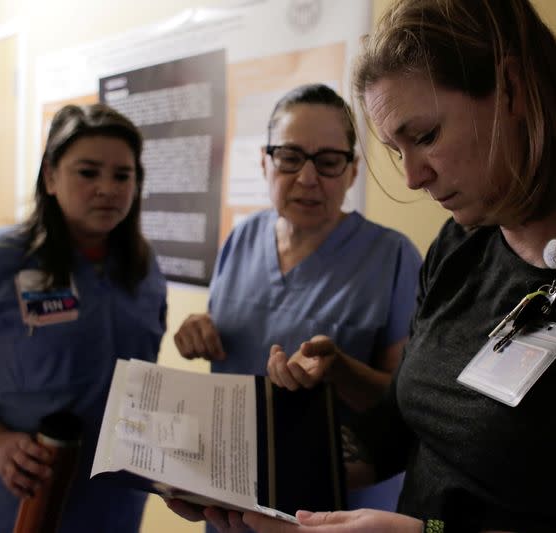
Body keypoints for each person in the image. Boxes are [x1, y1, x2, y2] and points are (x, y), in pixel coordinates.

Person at [239, 0, 556, 532]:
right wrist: (250, 479)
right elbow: (403, 432)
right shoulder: (458, 247)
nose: (412, 177)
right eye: (395, 149)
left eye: (425, 136)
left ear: (514, 89)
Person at [170, 83, 422, 528]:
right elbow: (238, 325)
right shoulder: (240, 240)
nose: (308, 179)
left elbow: (406, 402)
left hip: (336, 512)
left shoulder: (393, 257)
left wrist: (338, 369)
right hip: (234, 498)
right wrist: (199, 329)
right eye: (289, 157)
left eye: (327, 162)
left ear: (352, 172)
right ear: (265, 162)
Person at [0, 103, 167, 532]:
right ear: (51, 176)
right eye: (87, 172)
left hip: (117, 501)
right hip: (25, 500)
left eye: (122, 175)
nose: (107, 189)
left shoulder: (143, 267)